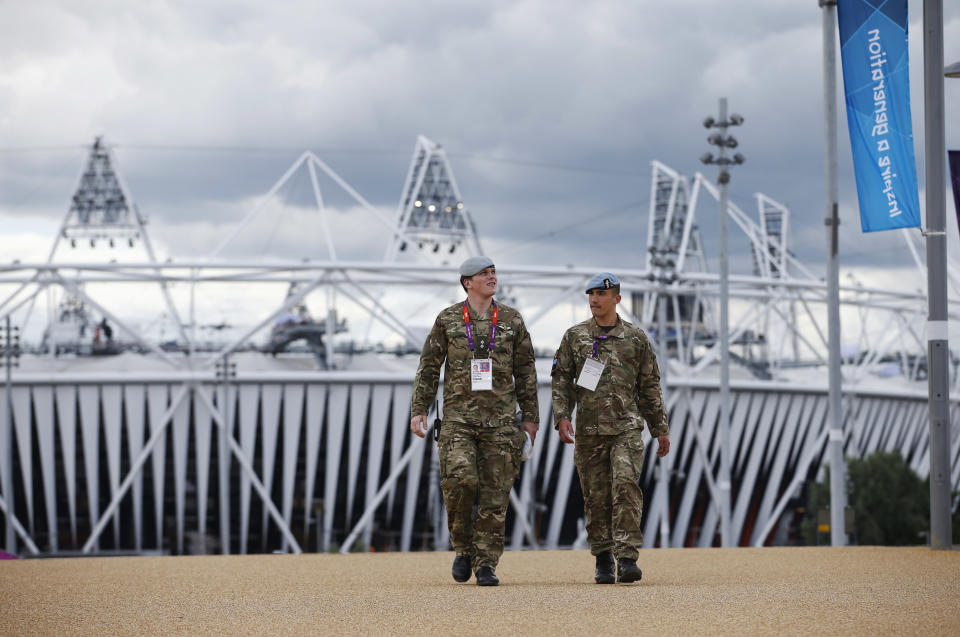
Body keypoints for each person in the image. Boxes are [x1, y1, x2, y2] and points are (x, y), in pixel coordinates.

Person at [410, 256, 539, 586]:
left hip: (501, 422)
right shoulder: (449, 320)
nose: (492, 277)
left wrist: (531, 419)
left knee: (495, 495)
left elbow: (526, 373)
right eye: (485, 274)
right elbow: (428, 367)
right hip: (458, 421)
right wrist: (419, 409)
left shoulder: (511, 320)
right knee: (461, 482)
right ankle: (463, 548)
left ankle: (486, 564)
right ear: (468, 282)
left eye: (494, 272)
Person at [551, 272, 670, 584]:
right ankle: (603, 558)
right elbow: (561, 379)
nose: (594, 300)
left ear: (616, 298)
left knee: (626, 485)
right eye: (590, 294)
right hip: (588, 431)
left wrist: (660, 428)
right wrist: (561, 416)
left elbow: (650, 386)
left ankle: (627, 556)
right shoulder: (575, 337)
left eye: (601, 294)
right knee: (596, 496)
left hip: (626, 429)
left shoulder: (635, 339)